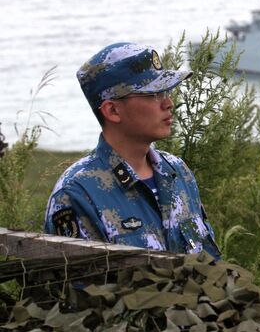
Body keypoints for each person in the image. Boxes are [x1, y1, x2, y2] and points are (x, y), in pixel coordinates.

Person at [44, 42, 221, 260]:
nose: (168, 103)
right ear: (112, 110)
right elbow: (85, 289)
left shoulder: (178, 172)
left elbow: (210, 265)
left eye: (166, 91)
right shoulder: (77, 193)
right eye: (153, 95)